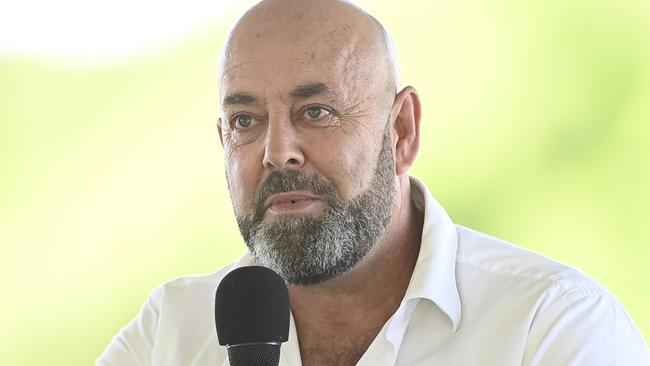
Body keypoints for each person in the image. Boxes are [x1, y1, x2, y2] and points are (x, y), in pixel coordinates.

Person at [97, 0, 649, 365]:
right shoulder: (168, 335)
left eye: (316, 112)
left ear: (402, 130)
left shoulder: (550, 328)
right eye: (246, 121)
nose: (277, 152)